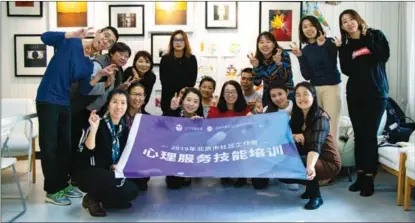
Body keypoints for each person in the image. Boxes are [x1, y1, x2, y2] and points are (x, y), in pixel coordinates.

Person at [36, 27, 119, 205]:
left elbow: (84, 89)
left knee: (65, 147)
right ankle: (52, 190)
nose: (106, 40)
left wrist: (99, 76)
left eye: (110, 41)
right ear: (97, 33)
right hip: (47, 98)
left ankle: (62, 183)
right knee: (50, 147)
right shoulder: (71, 42)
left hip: (65, 102)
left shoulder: (89, 64)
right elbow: (44, 37)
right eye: (105, 35)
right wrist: (69, 34)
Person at [338, 9, 390, 196]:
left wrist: (366, 38)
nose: (349, 23)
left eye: (352, 19)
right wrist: (344, 48)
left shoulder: (376, 35)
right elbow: (347, 70)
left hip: (377, 94)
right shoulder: (345, 46)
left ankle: (369, 178)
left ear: (358, 20)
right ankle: (360, 175)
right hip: (355, 95)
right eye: (344, 21)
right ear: (342, 27)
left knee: (368, 135)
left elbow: (382, 56)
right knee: (359, 136)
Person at [70, 42, 131, 180]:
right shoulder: (99, 64)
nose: (123, 58)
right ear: (111, 53)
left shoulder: (118, 70)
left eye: (126, 56)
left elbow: (110, 94)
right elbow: (86, 87)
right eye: (120, 54)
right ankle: (75, 176)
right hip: (84, 108)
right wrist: (106, 82)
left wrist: (120, 87)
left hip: (96, 110)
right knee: (79, 143)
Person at [73, 89, 139, 217]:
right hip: (88, 172)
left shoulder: (124, 128)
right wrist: (93, 128)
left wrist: (119, 166)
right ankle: (93, 198)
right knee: (114, 180)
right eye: (115, 102)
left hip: (110, 172)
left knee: (132, 191)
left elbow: (125, 154)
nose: (119, 106)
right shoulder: (98, 123)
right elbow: (89, 149)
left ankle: (105, 200)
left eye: (123, 103)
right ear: (108, 104)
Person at [283, 81, 341, 210]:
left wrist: (309, 167)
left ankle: (316, 196)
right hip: (312, 157)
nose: (301, 98)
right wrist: (293, 136)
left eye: (305, 94)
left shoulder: (321, 118)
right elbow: (285, 137)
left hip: (328, 161)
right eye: (298, 95)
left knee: (299, 163)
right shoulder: (297, 117)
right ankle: (310, 188)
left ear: (313, 96)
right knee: (283, 170)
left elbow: (316, 145)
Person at [291, 15, 342, 144]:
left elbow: (330, 66)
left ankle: (333, 160)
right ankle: (317, 158)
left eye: (311, 25)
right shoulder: (306, 50)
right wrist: (300, 57)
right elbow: (307, 75)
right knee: (317, 125)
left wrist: (321, 46)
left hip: (331, 87)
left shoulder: (329, 42)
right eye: (304, 27)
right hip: (314, 89)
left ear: (317, 26)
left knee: (331, 125)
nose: (308, 29)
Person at [248, 81, 297, 191]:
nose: (277, 98)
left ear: (287, 92)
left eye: (280, 94)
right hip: (270, 148)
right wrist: (258, 115)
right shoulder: (267, 109)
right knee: (258, 185)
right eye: (273, 96)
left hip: (290, 147)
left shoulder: (296, 108)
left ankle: (290, 176)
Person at [207, 80, 250, 187]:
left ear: (239, 93)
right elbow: (209, 127)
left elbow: (250, 129)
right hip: (222, 146)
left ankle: (241, 175)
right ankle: (225, 172)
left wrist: (254, 117)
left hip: (240, 145)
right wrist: (212, 108)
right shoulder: (216, 109)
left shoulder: (245, 109)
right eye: (227, 92)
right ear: (222, 94)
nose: (230, 95)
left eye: (233, 92)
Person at [163, 87, 204, 189]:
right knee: (173, 184)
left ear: (199, 105)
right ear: (183, 100)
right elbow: (161, 127)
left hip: (192, 158)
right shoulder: (174, 114)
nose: (191, 104)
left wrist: (201, 127)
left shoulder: (200, 119)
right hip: (173, 157)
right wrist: (172, 109)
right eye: (188, 100)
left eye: (195, 101)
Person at [248, 31, 294, 106]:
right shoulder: (257, 59)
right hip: (269, 96)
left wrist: (279, 64)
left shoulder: (283, 55)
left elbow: (287, 77)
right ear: (258, 45)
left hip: (286, 94)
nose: (265, 45)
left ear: (274, 44)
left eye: (268, 42)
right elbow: (257, 83)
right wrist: (256, 67)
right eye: (261, 42)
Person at [160, 30, 198, 116]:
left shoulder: (191, 59)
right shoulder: (165, 59)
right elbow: (163, 81)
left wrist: (182, 95)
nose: (178, 43)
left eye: (181, 40)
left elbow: (192, 82)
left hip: (186, 100)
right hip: (168, 100)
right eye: (175, 40)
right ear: (172, 42)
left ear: (185, 42)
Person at [125, 83, 151, 191]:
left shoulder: (148, 118)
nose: (137, 98)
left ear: (145, 97)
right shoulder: (118, 115)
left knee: (141, 186)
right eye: (134, 94)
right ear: (127, 95)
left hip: (139, 159)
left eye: (140, 95)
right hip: (120, 158)